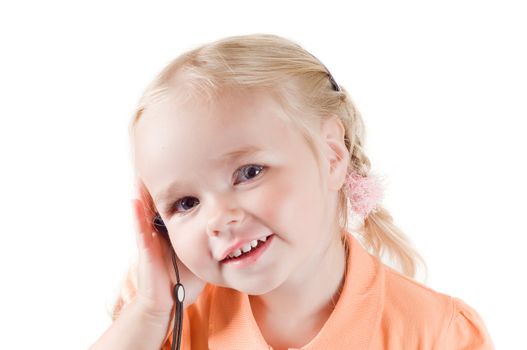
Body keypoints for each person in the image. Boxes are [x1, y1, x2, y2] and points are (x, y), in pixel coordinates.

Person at [89, 33, 495, 350]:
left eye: (248, 172)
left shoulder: (436, 332)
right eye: (186, 203)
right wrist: (150, 310)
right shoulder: (166, 319)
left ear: (332, 155)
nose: (219, 218)